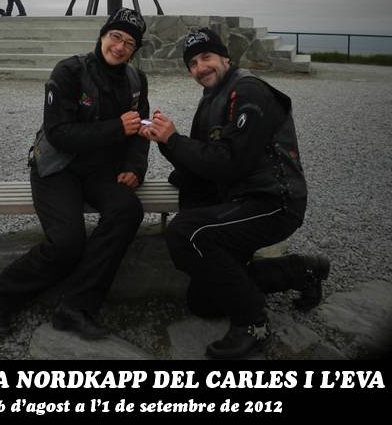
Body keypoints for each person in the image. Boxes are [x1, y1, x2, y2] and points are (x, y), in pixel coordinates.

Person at [140, 28, 329, 359]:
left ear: (225, 58)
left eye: (207, 57)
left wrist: (174, 140)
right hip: (240, 199)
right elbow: (204, 161)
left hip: (274, 201)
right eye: (193, 63)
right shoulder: (211, 98)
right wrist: (165, 142)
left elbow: (230, 162)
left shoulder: (248, 90)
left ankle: (253, 323)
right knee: (203, 302)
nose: (200, 67)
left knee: (186, 233)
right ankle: (302, 270)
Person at [0, 7, 150, 339]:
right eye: (115, 36)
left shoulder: (135, 81)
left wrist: (135, 168)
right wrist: (116, 128)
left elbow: (139, 130)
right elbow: (58, 132)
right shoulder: (69, 71)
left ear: (134, 50)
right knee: (67, 244)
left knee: (128, 210)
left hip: (100, 170)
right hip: (57, 166)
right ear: (102, 36)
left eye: (129, 43)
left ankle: (75, 306)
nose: (119, 47)